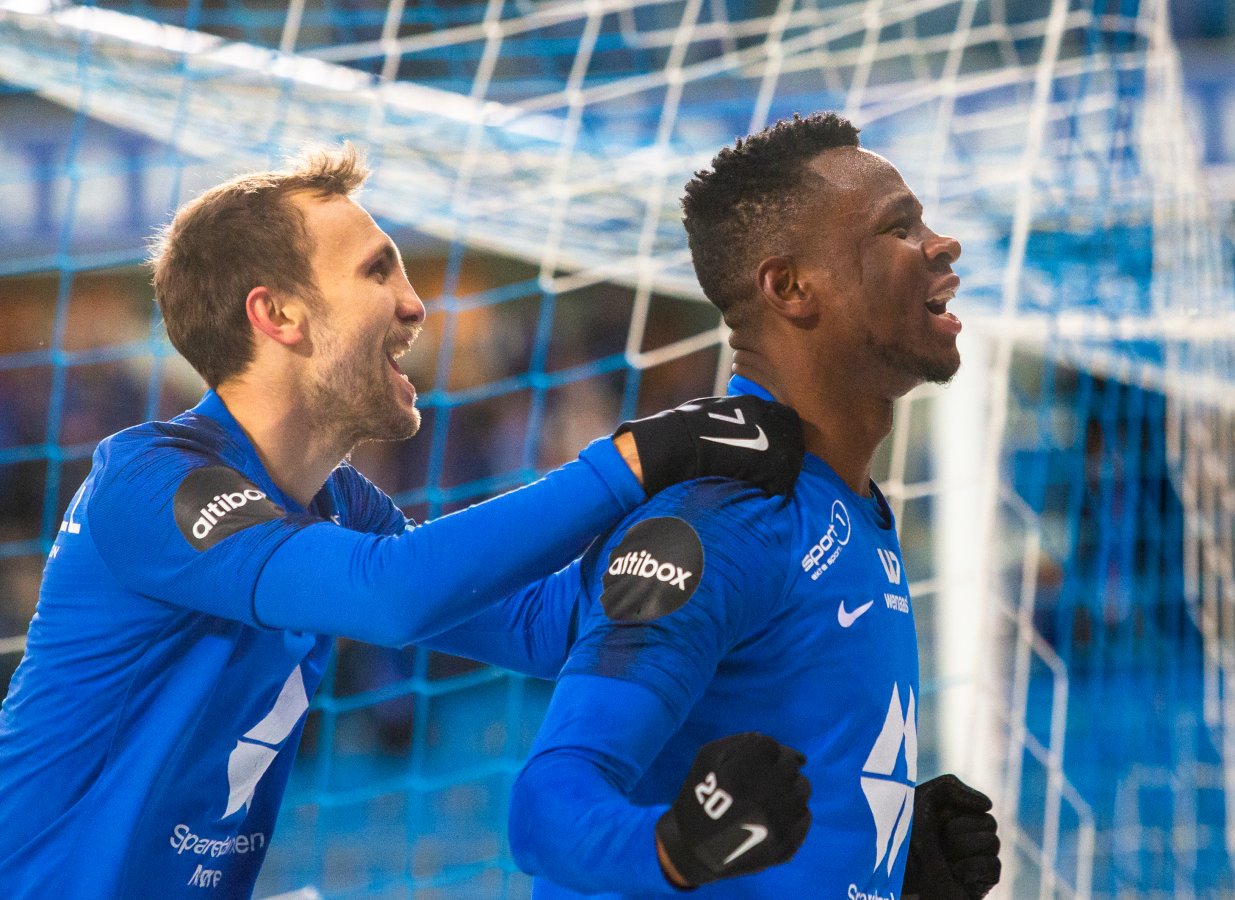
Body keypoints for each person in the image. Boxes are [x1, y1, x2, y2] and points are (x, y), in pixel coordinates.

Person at [0, 145, 806, 899]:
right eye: (378, 271)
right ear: (278, 313)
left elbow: (540, 625)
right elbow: (392, 595)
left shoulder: (338, 502)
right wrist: (639, 458)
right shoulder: (145, 482)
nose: (415, 305)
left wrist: (694, 546)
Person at [507, 113, 1003, 899]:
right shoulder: (720, 525)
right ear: (791, 288)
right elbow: (545, 809)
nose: (943, 245)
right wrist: (677, 846)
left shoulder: (851, 505)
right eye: (899, 228)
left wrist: (875, 853)